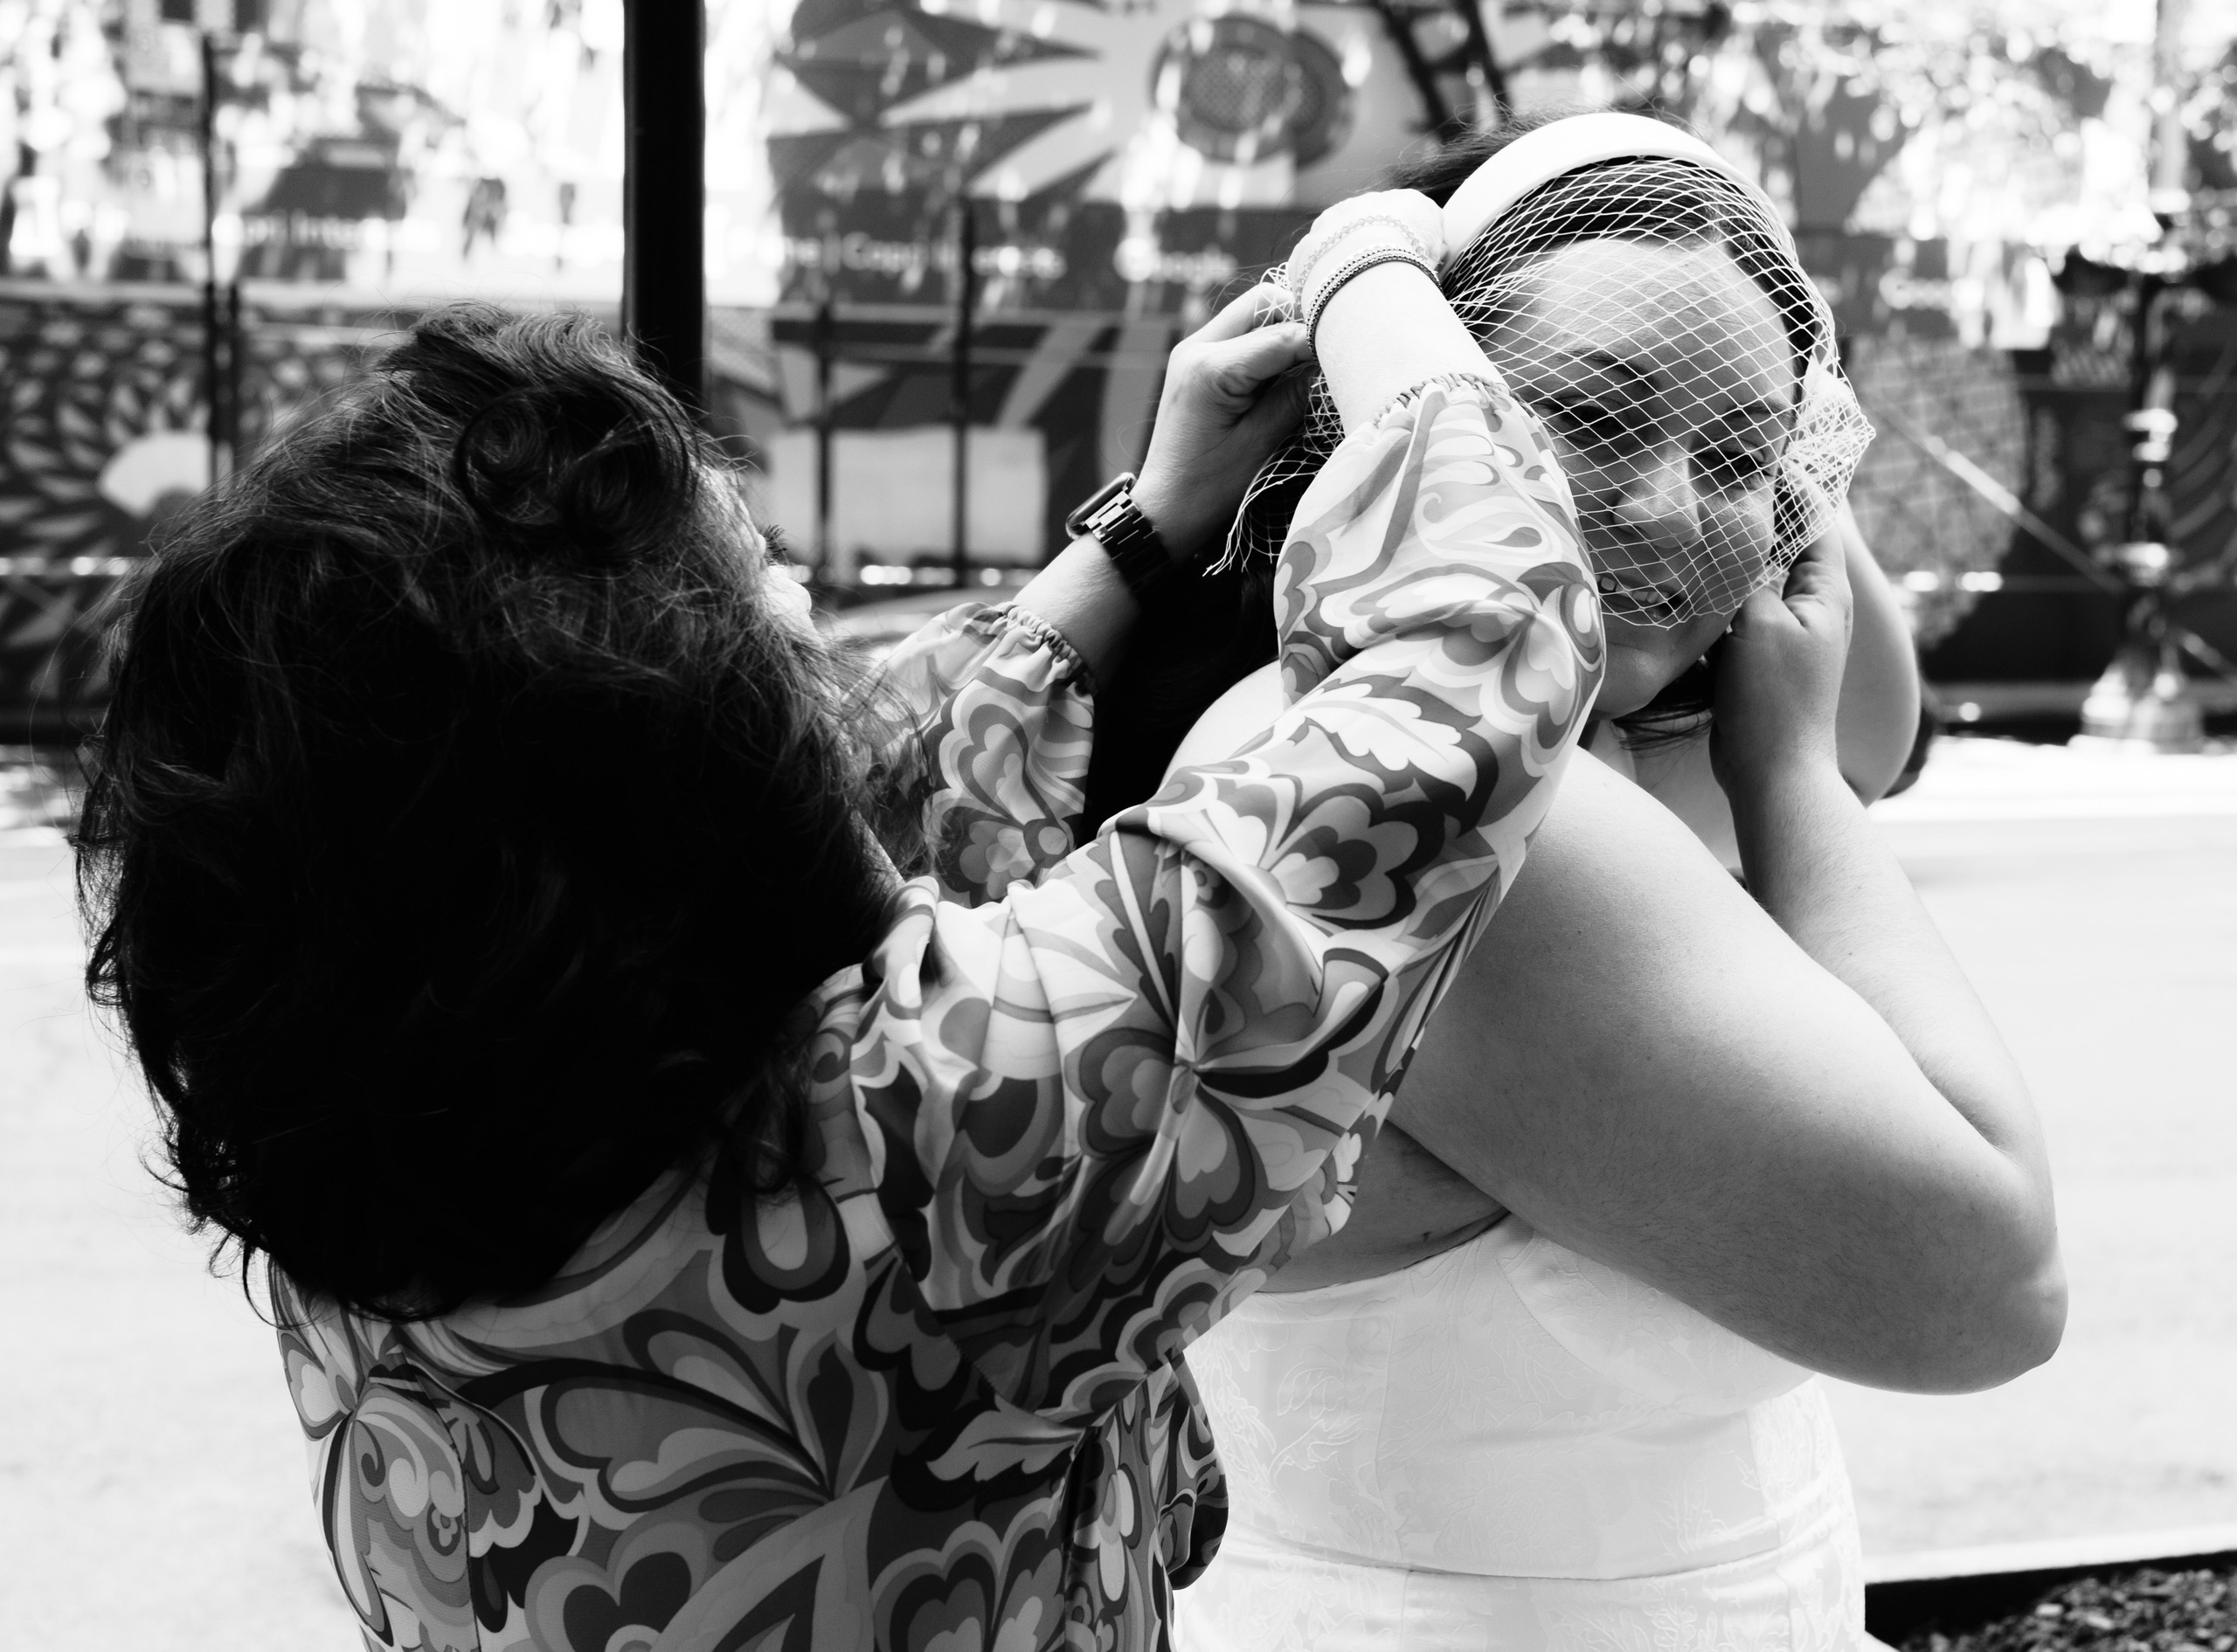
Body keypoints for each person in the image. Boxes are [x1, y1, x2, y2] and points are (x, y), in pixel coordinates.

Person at [75, 284, 1604, 1652]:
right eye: (768, 603)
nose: (808, 619)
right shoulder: (931, 1154)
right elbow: (1478, 640)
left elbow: (831, 788)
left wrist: (1143, 527)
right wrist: (1374, 281)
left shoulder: (375, 1110)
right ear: (692, 773)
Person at [1128, 114, 2068, 1652]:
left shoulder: (1618, 737)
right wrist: (1790, 780)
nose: (1668, 508)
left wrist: (1766, 420)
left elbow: (1876, 715)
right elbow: (1992, 1288)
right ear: (1413, 423)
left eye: (1737, 454)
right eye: (1591, 417)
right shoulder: (1444, 794)